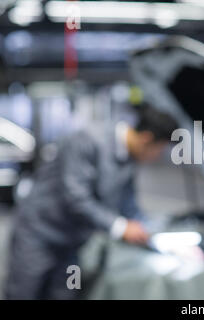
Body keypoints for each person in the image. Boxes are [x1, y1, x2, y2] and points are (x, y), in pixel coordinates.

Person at [5, 103, 178, 300]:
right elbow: (75, 198)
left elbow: (127, 205)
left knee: (65, 294)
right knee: (24, 294)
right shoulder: (87, 140)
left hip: (73, 245)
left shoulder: (130, 158)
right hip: (39, 236)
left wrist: (149, 230)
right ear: (147, 140)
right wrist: (120, 227)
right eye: (159, 150)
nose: (157, 157)